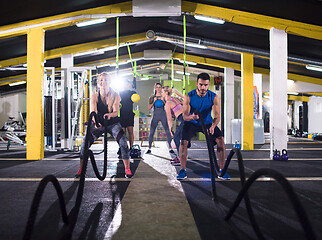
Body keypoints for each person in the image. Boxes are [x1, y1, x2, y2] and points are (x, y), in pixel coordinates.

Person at [76, 72, 132, 178]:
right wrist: (96, 122)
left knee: (124, 143)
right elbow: (93, 111)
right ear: (98, 83)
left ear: (109, 82)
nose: (103, 82)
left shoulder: (116, 95)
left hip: (113, 123)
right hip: (98, 123)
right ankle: (81, 169)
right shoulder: (94, 96)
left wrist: (110, 115)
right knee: (84, 145)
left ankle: (127, 169)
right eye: (101, 80)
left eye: (106, 80)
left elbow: (116, 111)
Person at [176, 73, 230, 180]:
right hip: (192, 122)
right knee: (183, 142)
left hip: (208, 123)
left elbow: (217, 115)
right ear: (197, 84)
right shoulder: (188, 96)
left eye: (205, 85)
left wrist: (213, 125)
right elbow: (185, 116)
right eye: (201, 85)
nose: (203, 88)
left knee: (220, 140)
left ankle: (222, 170)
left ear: (208, 84)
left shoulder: (213, 97)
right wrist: (192, 117)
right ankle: (183, 170)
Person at [146, 82, 174, 155]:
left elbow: (168, 104)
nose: (158, 89)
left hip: (162, 115)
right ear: (155, 88)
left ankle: (170, 148)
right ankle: (149, 148)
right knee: (151, 132)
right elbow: (149, 108)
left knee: (168, 131)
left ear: (161, 88)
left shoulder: (164, 96)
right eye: (157, 87)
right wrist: (154, 102)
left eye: (159, 87)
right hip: (155, 115)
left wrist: (163, 100)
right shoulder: (152, 97)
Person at [161, 86, 184, 164]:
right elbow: (184, 102)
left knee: (176, 138)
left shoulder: (168, 103)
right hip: (187, 119)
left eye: (162, 92)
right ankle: (181, 156)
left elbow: (169, 119)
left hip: (184, 120)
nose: (161, 93)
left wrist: (170, 129)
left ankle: (180, 158)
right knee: (181, 138)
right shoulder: (175, 99)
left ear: (166, 93)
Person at [118, 79, 137, 158]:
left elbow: (135, 99)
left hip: (129, 114)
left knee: (130, 132)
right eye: (124, 84)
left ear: (129, 85)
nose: (126, 85)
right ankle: (122, 148)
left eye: (127, 84)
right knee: (122, 133)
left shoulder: (133, 93)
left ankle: (131, 147)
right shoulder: (120, 93)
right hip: (122, 114)